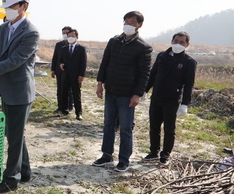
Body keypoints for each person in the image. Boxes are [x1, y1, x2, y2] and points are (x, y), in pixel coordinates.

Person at [0, 0, 39, 194]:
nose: (9, 10)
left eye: (13, 6)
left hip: (19, 90)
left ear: (24, 5)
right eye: (6, 6)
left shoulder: (30, 32)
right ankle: (24, 171)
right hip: (3, 89)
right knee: (13, 133)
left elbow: (14, 61)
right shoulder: (5, 28)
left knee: (14, 135)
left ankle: (11, 179)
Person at [93, 10, 152, 172]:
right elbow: (105, 63)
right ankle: (106, 156)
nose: (128, 25)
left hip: (127, 94)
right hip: (111, 90)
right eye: (126, 22)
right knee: (108, 124)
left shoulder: (143, 47)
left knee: (125, 127)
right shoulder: (114, 41)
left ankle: (124, 159)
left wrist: (138, 94)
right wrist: (100, 83)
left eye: (132, 23)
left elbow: (144, 74)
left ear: (139, 25)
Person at [143, 32, 197, 165]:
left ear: (187, 45)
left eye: (182, 42)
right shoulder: (162, 56)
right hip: (157, 97)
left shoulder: (189, 62)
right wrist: (144, 90)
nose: (178, 44)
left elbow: (189, 84)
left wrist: (185, 104)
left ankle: (165, 155)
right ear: (171, 41)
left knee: (169, 129)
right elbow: (153, 74)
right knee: (154, 127)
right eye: (176, 41)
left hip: (172, 100)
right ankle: (153, 152)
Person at [58, 29, 86, 120]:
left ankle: (79, 113)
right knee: (64, 93)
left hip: (76, 76)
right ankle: (64, 110)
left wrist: (81, 75)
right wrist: (61, 64)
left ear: (77, 37)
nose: (70, 38)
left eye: (72, 36)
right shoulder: (64, 48)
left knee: (76, 94)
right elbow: (60, 60)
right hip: (65, 75)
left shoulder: (81, 49)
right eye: (69, 36)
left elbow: (83, 63)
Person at [51, 26, 73, 114]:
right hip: (59, 71)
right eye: (63, 33)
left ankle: (69, 107)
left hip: (69, 72)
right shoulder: (59, 45)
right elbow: (55, 57)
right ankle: (60, 107)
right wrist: (53, 70)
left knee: (69, 90)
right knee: (60, 90)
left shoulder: (72, 45)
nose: (65, 35)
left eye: (66, 33)